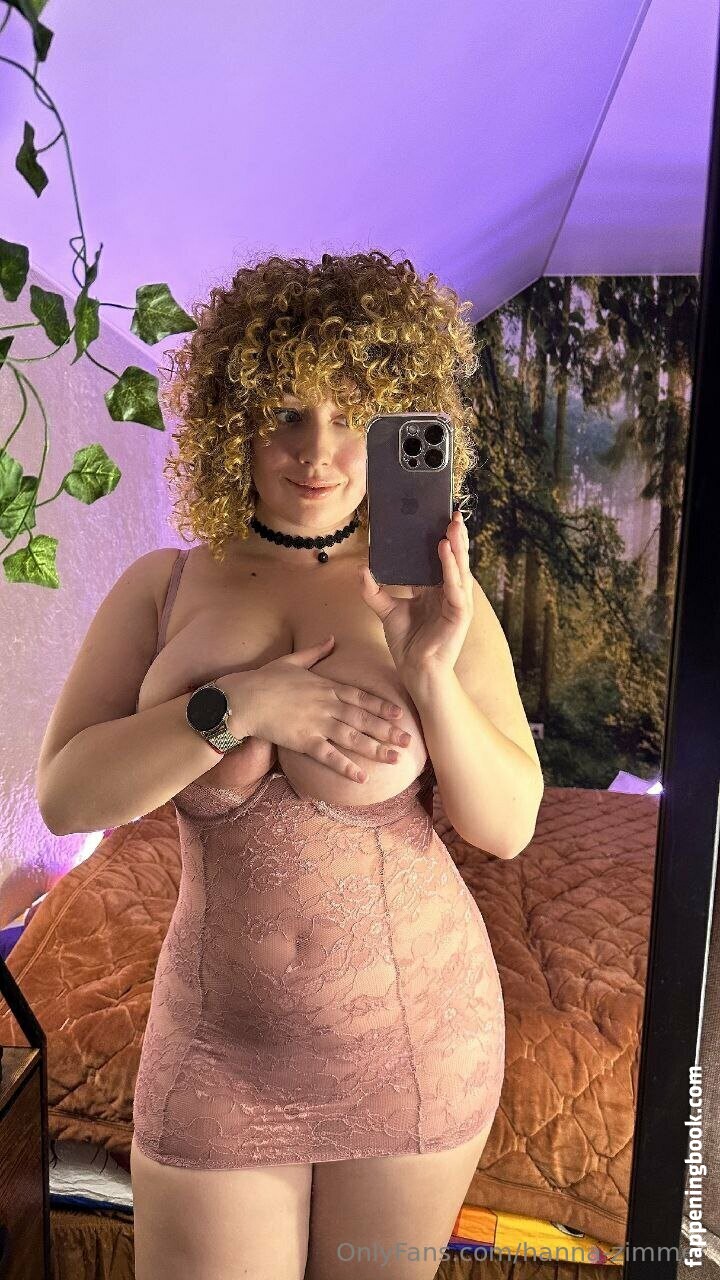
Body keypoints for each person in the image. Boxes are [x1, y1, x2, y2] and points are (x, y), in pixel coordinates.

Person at [40, 250, 540, 1279]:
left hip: (417, 1039)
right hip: (217, 1053)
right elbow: (67, 796)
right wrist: (241, 706)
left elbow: (506, 826)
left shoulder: (432, 594)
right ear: (234, 418)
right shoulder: (165, 585)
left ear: (396, 427)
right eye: (285, 412)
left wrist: (431, 672)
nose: (318, 453)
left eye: (353, 417)